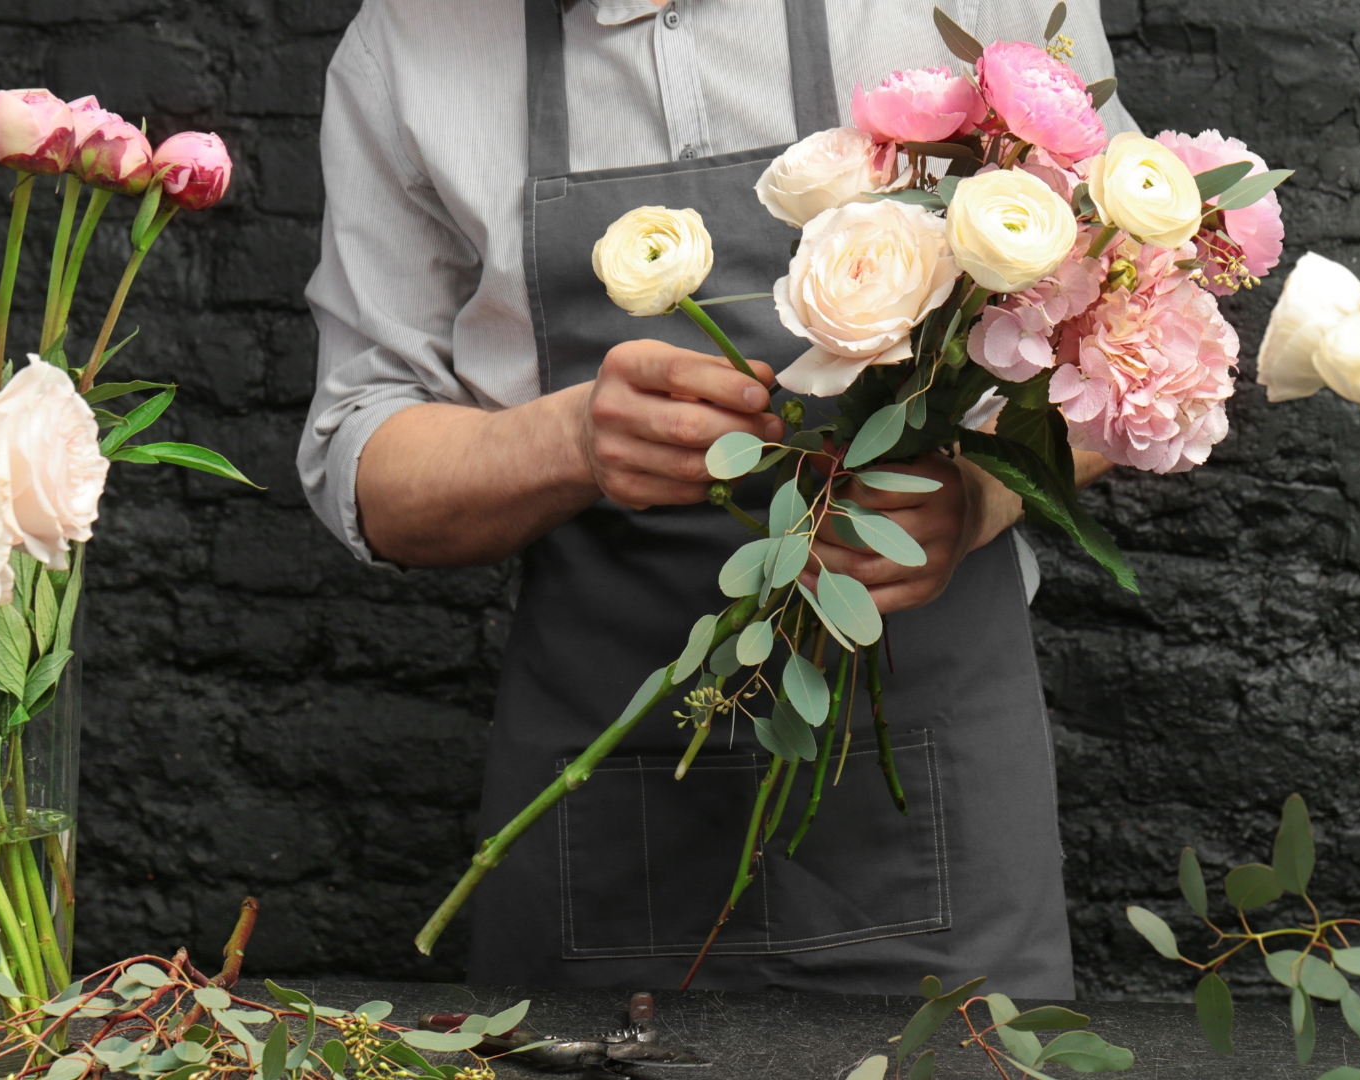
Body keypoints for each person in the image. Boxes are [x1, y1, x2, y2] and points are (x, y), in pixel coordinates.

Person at [301, 0, 1138, 995]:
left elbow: (1128, 333)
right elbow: (364, 463)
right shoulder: (405, 44)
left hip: (936, 803)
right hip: (598, 821)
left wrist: (976, 494)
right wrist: (565, 441)